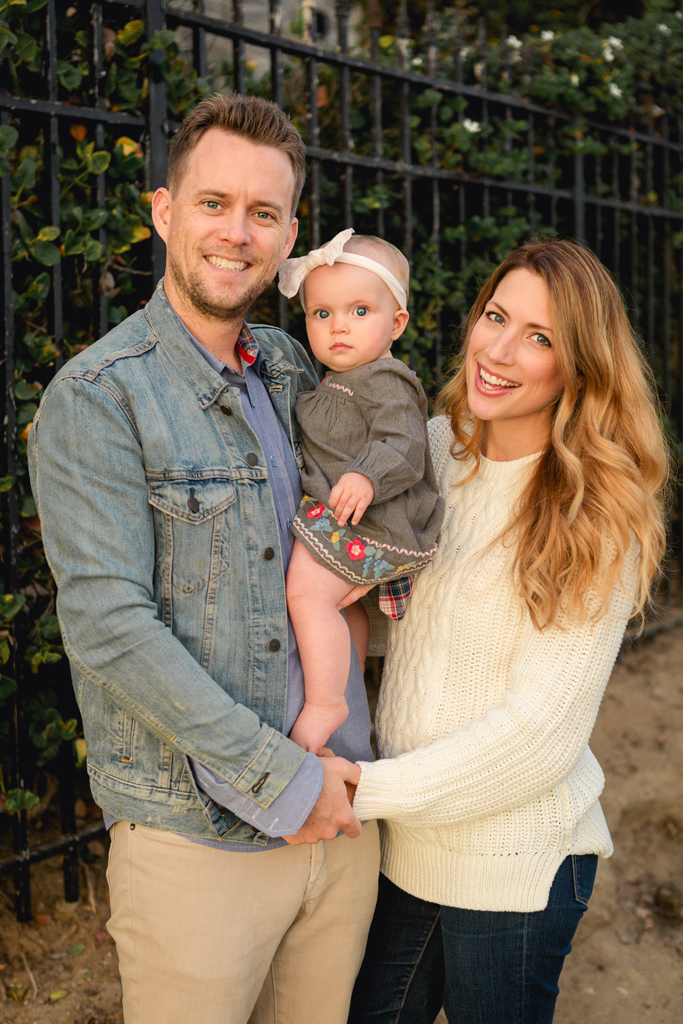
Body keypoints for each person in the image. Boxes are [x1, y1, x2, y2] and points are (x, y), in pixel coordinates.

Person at [27, 92, 379, 1024]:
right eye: (213, 203)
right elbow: (109, 629)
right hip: (200, 842)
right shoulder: (100, 397)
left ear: (290, 233)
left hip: (341, 823)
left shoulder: (295, 364)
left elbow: (384, 477)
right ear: (163, 211)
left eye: (263, 213)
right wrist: (283, 780)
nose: (237, 232)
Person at [348, 239, 670, 1024]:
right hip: (404, 844)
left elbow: (538, 736)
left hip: (514, 862)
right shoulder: (425, 451)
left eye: (540, 337)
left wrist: (363, 791)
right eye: (496, 316)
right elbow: (409, 636)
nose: (498, 350)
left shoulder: (595, 516)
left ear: (581, 369)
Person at [277, 229, 444, 753]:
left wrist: (365, 476)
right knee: (340, 606)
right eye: (321, 314)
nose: (338, 327)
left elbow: (405, 441)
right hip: (358, 523)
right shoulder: (338, 380)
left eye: (359, 312)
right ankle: (344, 683)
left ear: (396, 323)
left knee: (304, 592)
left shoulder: (385, 378)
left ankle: (327, 700)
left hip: (372, 523)